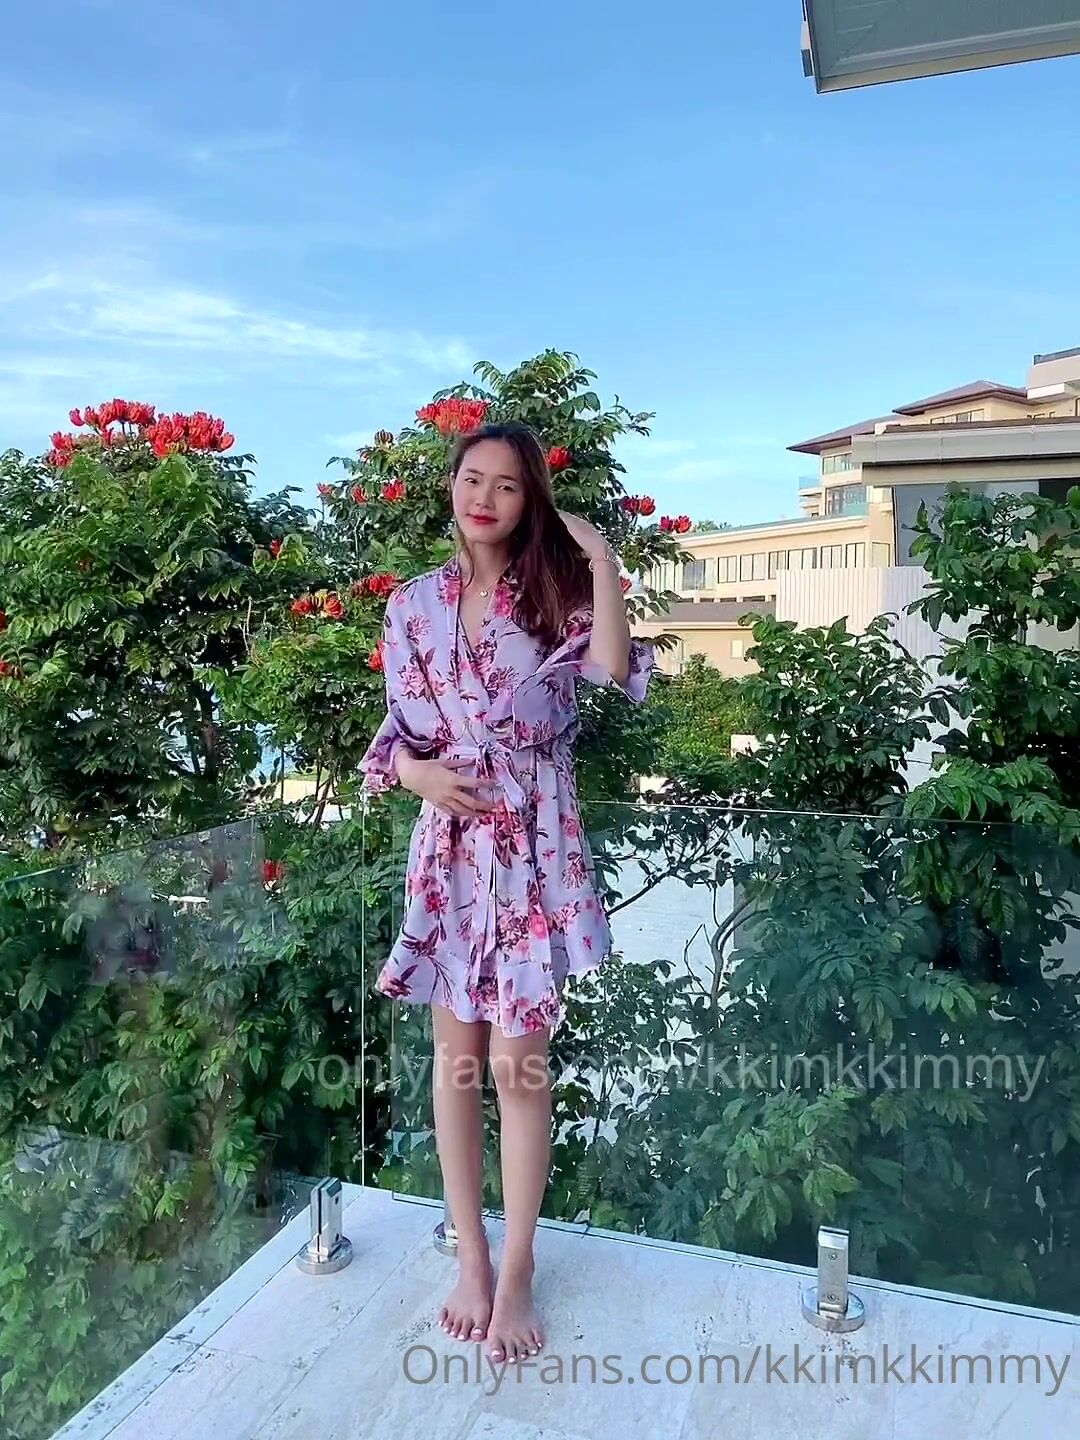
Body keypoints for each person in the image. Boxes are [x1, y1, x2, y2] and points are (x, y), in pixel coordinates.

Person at [359, 421, 653, 1366]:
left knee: (518, 1064)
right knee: (455, 1062)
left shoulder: (556, 594)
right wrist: (417, 775)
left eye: (508, 485)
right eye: (472, 479)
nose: (484, 498)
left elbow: (613, 670)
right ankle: (472, 1259)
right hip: (449, 851)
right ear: (452, 487)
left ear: (531, 502)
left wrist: (599, 559)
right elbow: (395, 740)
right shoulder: (411, 605)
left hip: (531, 846)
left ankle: (520, 1265)